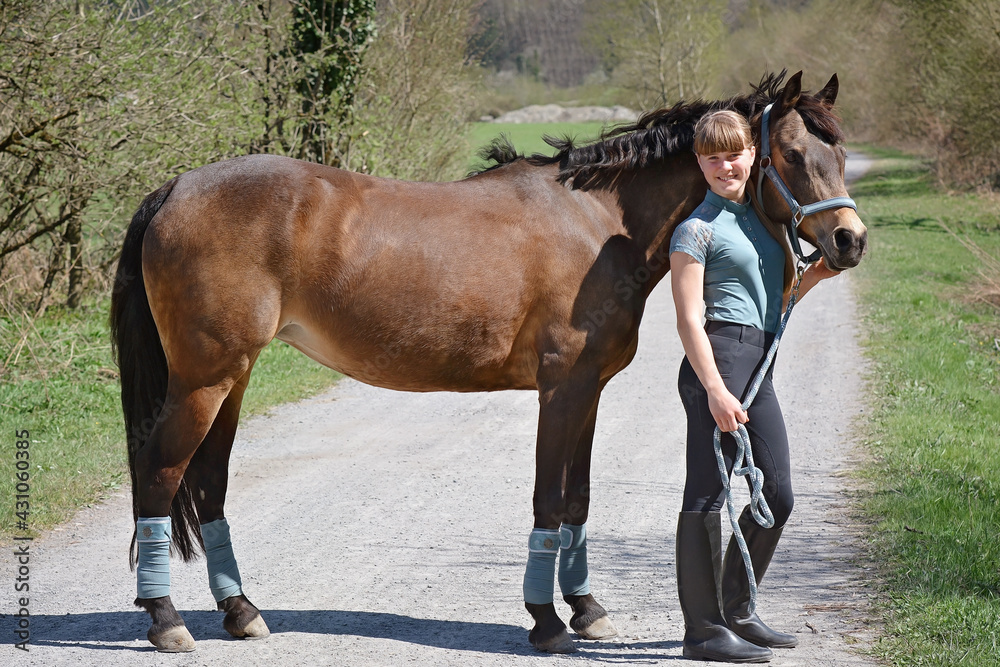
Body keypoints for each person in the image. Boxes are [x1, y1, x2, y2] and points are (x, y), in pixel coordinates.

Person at [669, 110, 840, 663]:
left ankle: (738, 609)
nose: (725, 166)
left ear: (753, 156)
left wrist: (814, 275)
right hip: (716, 364)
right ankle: (702, 631)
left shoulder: (762, 224)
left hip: (757, 364)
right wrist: (715, 390)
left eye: (734, 153)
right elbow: (690, 320)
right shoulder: (695, 230)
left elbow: (775, 305)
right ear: (700, 163)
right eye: (712, 157)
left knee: (777, 493)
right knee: (707, 492)